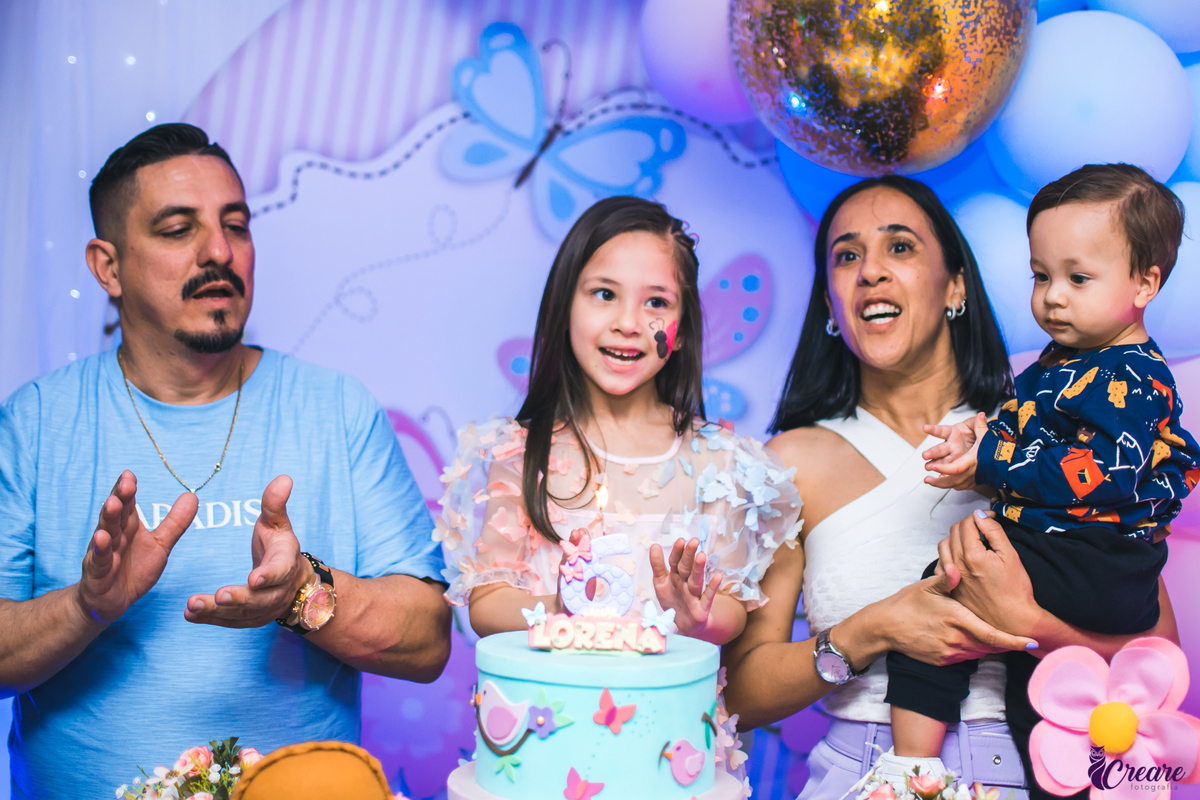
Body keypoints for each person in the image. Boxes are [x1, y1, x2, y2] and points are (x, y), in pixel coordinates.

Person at [0, 123, 451, 798]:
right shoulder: (34, 422)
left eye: (235, 225)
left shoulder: (336, 408)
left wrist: (300, 592)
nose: (220, 251)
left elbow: (428, 640)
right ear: (108, 267)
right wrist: (87, 607)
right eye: (178, 229)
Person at [720, 176, 1179, 800]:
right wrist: (874, 629)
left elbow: (1159, 657)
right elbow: (742, 696)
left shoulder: (1044, 432)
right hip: (867, 776)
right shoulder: (788, 463)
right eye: (847, 256)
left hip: (1031, 773)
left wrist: (1032, 625)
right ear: (830, 302)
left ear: (956, 284)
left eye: (900, 246)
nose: (871, 272)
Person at [435, 196, 802, 772]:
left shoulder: (722, 463)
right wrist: (564, 606)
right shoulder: (521, 453)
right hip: (555, 752)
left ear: (682, 329)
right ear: (564, 304)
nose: (628, 322)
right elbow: (487, 603)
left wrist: (697, 617)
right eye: (604, 293)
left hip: (671, 756)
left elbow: (732, 610)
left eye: (656, 302)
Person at [880, 164, 1199, 796]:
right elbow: (1031, 423)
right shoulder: (1071, 358)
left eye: (1078, 278)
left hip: (1092, 558)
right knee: (1043, 700)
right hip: (1075, 551)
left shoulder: (1130, 375)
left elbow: (1100, 473)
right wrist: (979, 436)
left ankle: (909, 769)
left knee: (940, 596)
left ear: (1145, 282)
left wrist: (993, 463)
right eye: (1041, 275)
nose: (1053, 296)